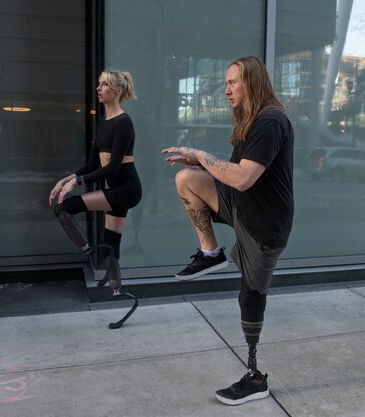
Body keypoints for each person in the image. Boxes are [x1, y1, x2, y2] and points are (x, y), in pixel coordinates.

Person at [162, 56, 294, 405]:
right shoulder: (250, 123)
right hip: (240, 209)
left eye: (232, 82)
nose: (226, 89)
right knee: (187, 179)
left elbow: (242, 176)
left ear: (251, 82)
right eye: (226, 83)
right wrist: (200, 163)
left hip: (264, 227)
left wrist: (202, 154)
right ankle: (211, 252)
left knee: (250, 296)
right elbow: (234, 173)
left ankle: (255, 377)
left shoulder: (271, 121)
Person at [49, 70, 142, 296]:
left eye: (104, 85)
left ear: (117, 91)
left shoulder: (124, 122)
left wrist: (79, 182)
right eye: (98, 84)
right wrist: (70, 178)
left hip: (127, 189)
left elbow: (112, 168)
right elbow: (92, 163)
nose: (98, 88)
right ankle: (116, 288)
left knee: (64, 208)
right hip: (116, 189)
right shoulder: (103, 123)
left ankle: (88, 249)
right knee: (112, 243)